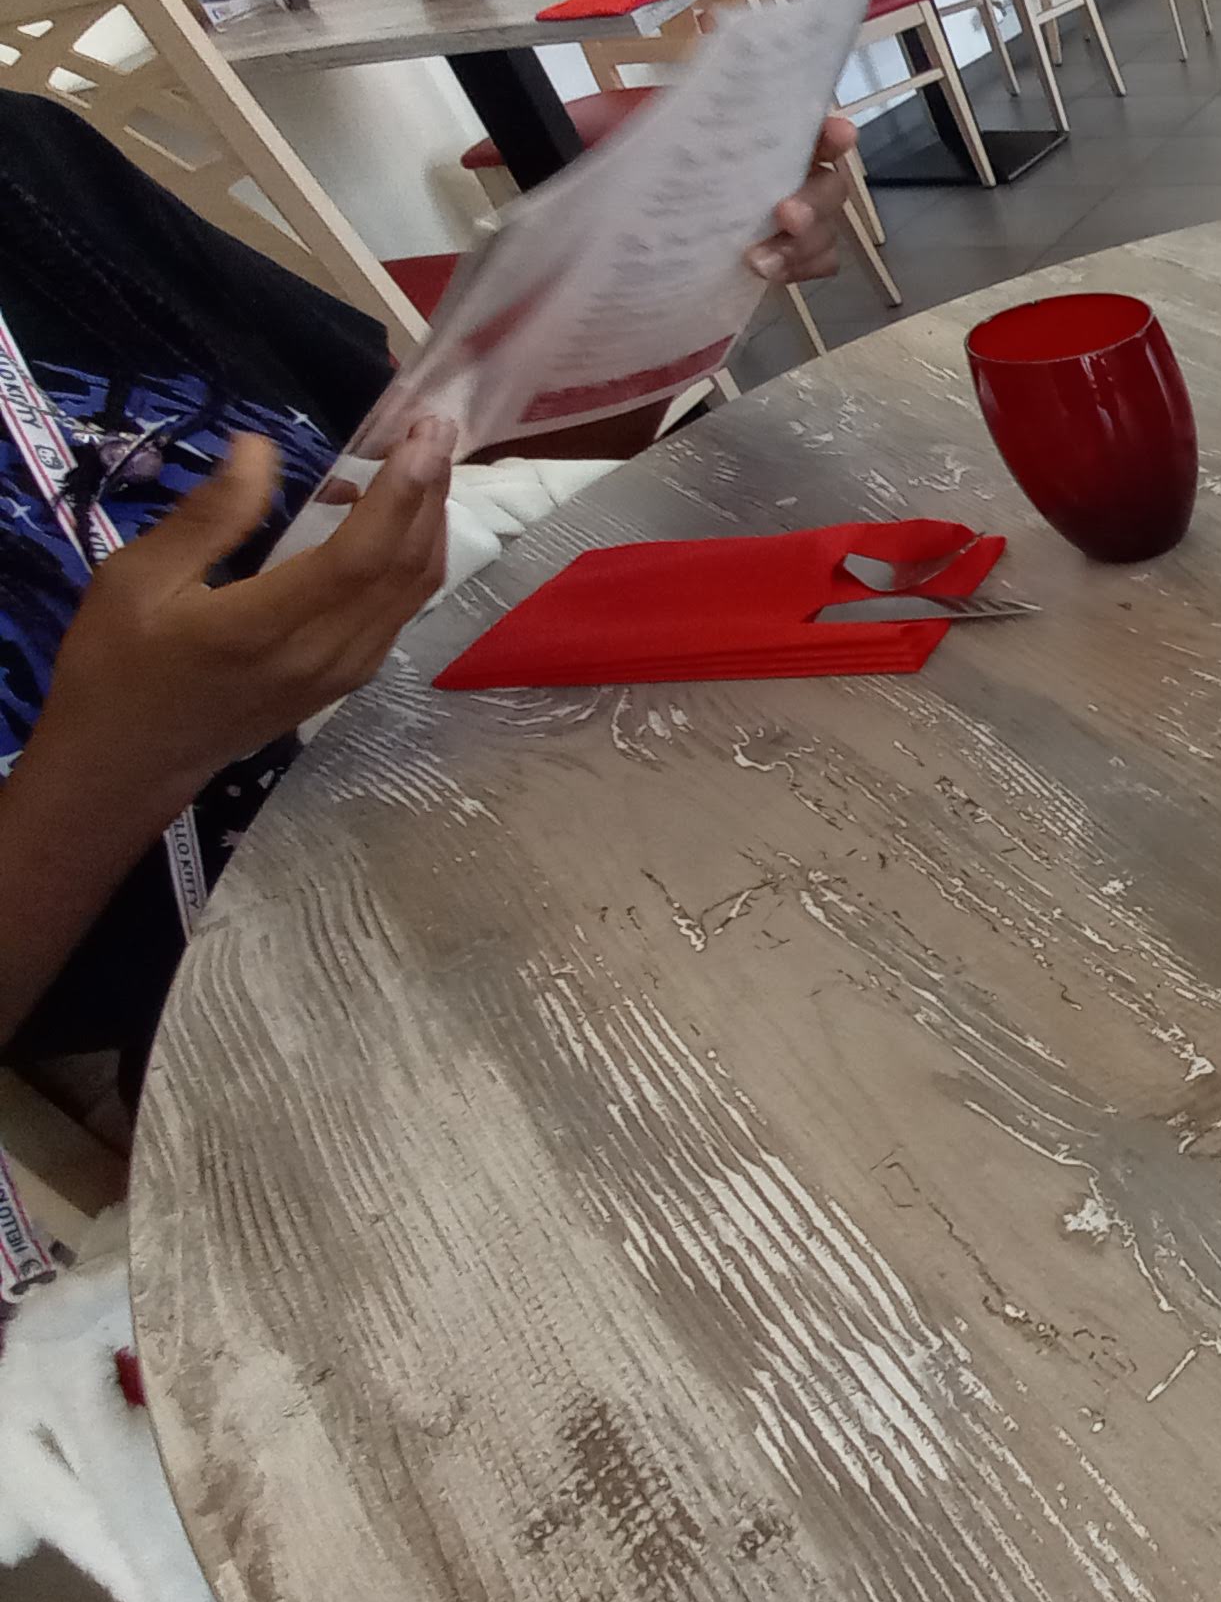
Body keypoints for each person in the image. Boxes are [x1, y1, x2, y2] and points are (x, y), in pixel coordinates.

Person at [0, 89, 857, 1070]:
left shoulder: (31, 161)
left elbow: (408, 472)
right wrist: (124, 759)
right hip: (266, 1015)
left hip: (521, 758)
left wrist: (657, 300)